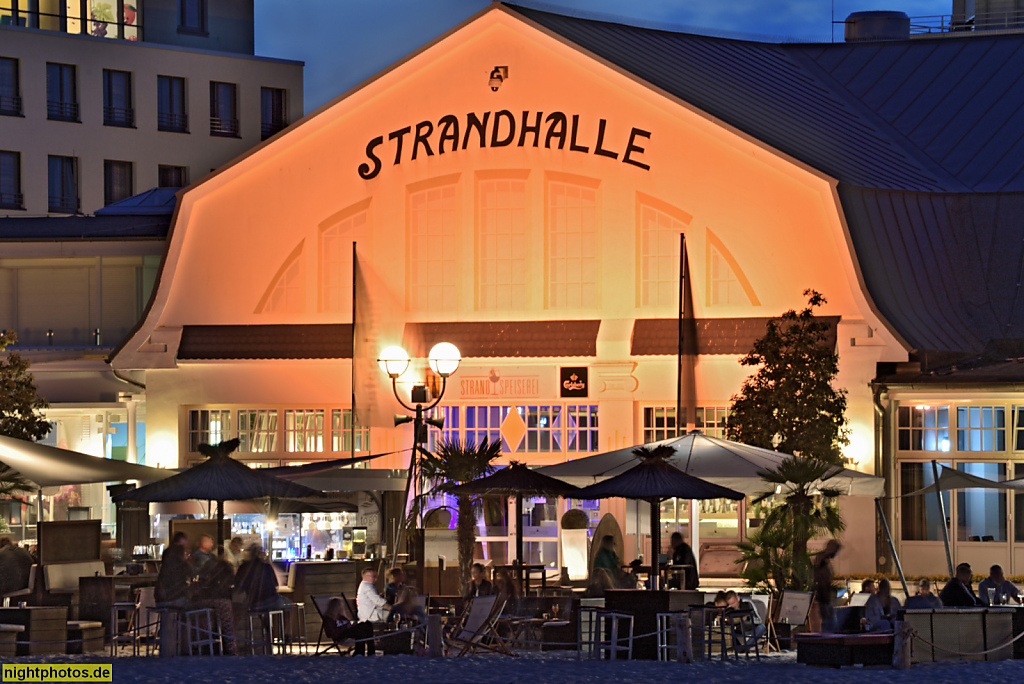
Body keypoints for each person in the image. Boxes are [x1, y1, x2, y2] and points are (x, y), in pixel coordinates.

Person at [192, 554, 238, 655]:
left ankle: (206, 645)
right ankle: (230, 648)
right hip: (219, 601)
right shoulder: (225, 570)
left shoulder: (211, 571)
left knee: (210, 617)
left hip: (205, 602)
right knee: (226, 614)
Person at [235, 544, 289, 612]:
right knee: (288, 603)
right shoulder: (266, 566)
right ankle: (287, 619)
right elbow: (276, 585)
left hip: (253, 604)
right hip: (272, 600)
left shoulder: (242, 567)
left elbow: (237, 586)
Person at [813, 539, 841, 633]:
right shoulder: (821, 559)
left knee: (831, 623)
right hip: (824, 599)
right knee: (830, 624)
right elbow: (822, 581)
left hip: (825, 598)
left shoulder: (824, 560)